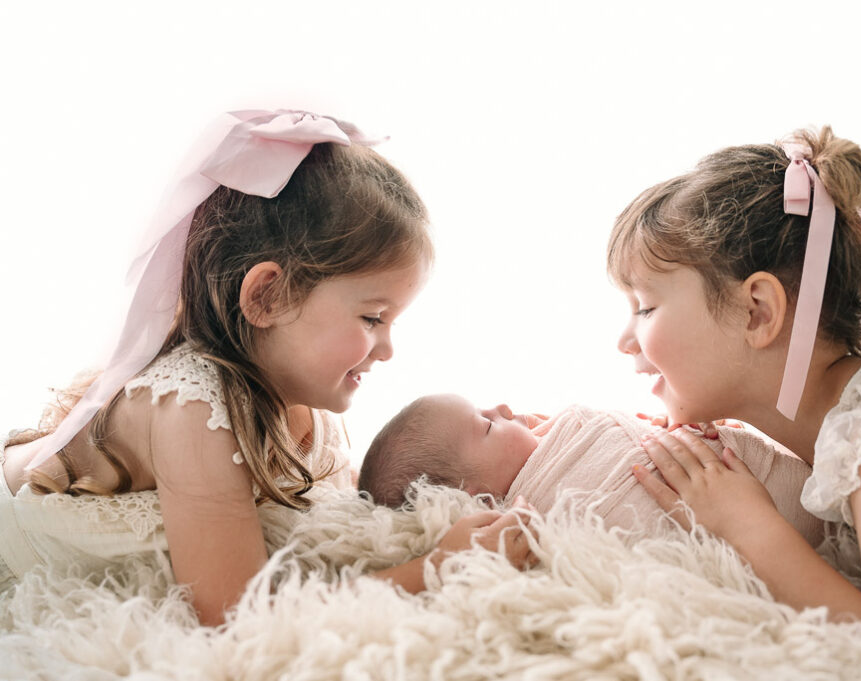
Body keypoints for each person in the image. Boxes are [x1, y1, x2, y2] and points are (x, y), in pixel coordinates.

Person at [0, 110, 533, 626]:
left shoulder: (302, 399)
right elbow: (237, 615)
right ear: (267, 296)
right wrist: (439, 567)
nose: (387, 348)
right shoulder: (191, 410)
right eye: (372, 317)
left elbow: (345, 515)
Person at [609, 125, 861, 669]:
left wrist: (749, 527)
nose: (622, 341)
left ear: (757, 311)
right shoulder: (830, 429)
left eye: (644, 307)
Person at [358, 394, 824, 546]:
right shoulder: (543, 513)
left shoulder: (563, 435)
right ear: (481, 499)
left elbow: (620, 430)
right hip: (772, 519)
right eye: (486, 425)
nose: (502, 407)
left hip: (779, 471)